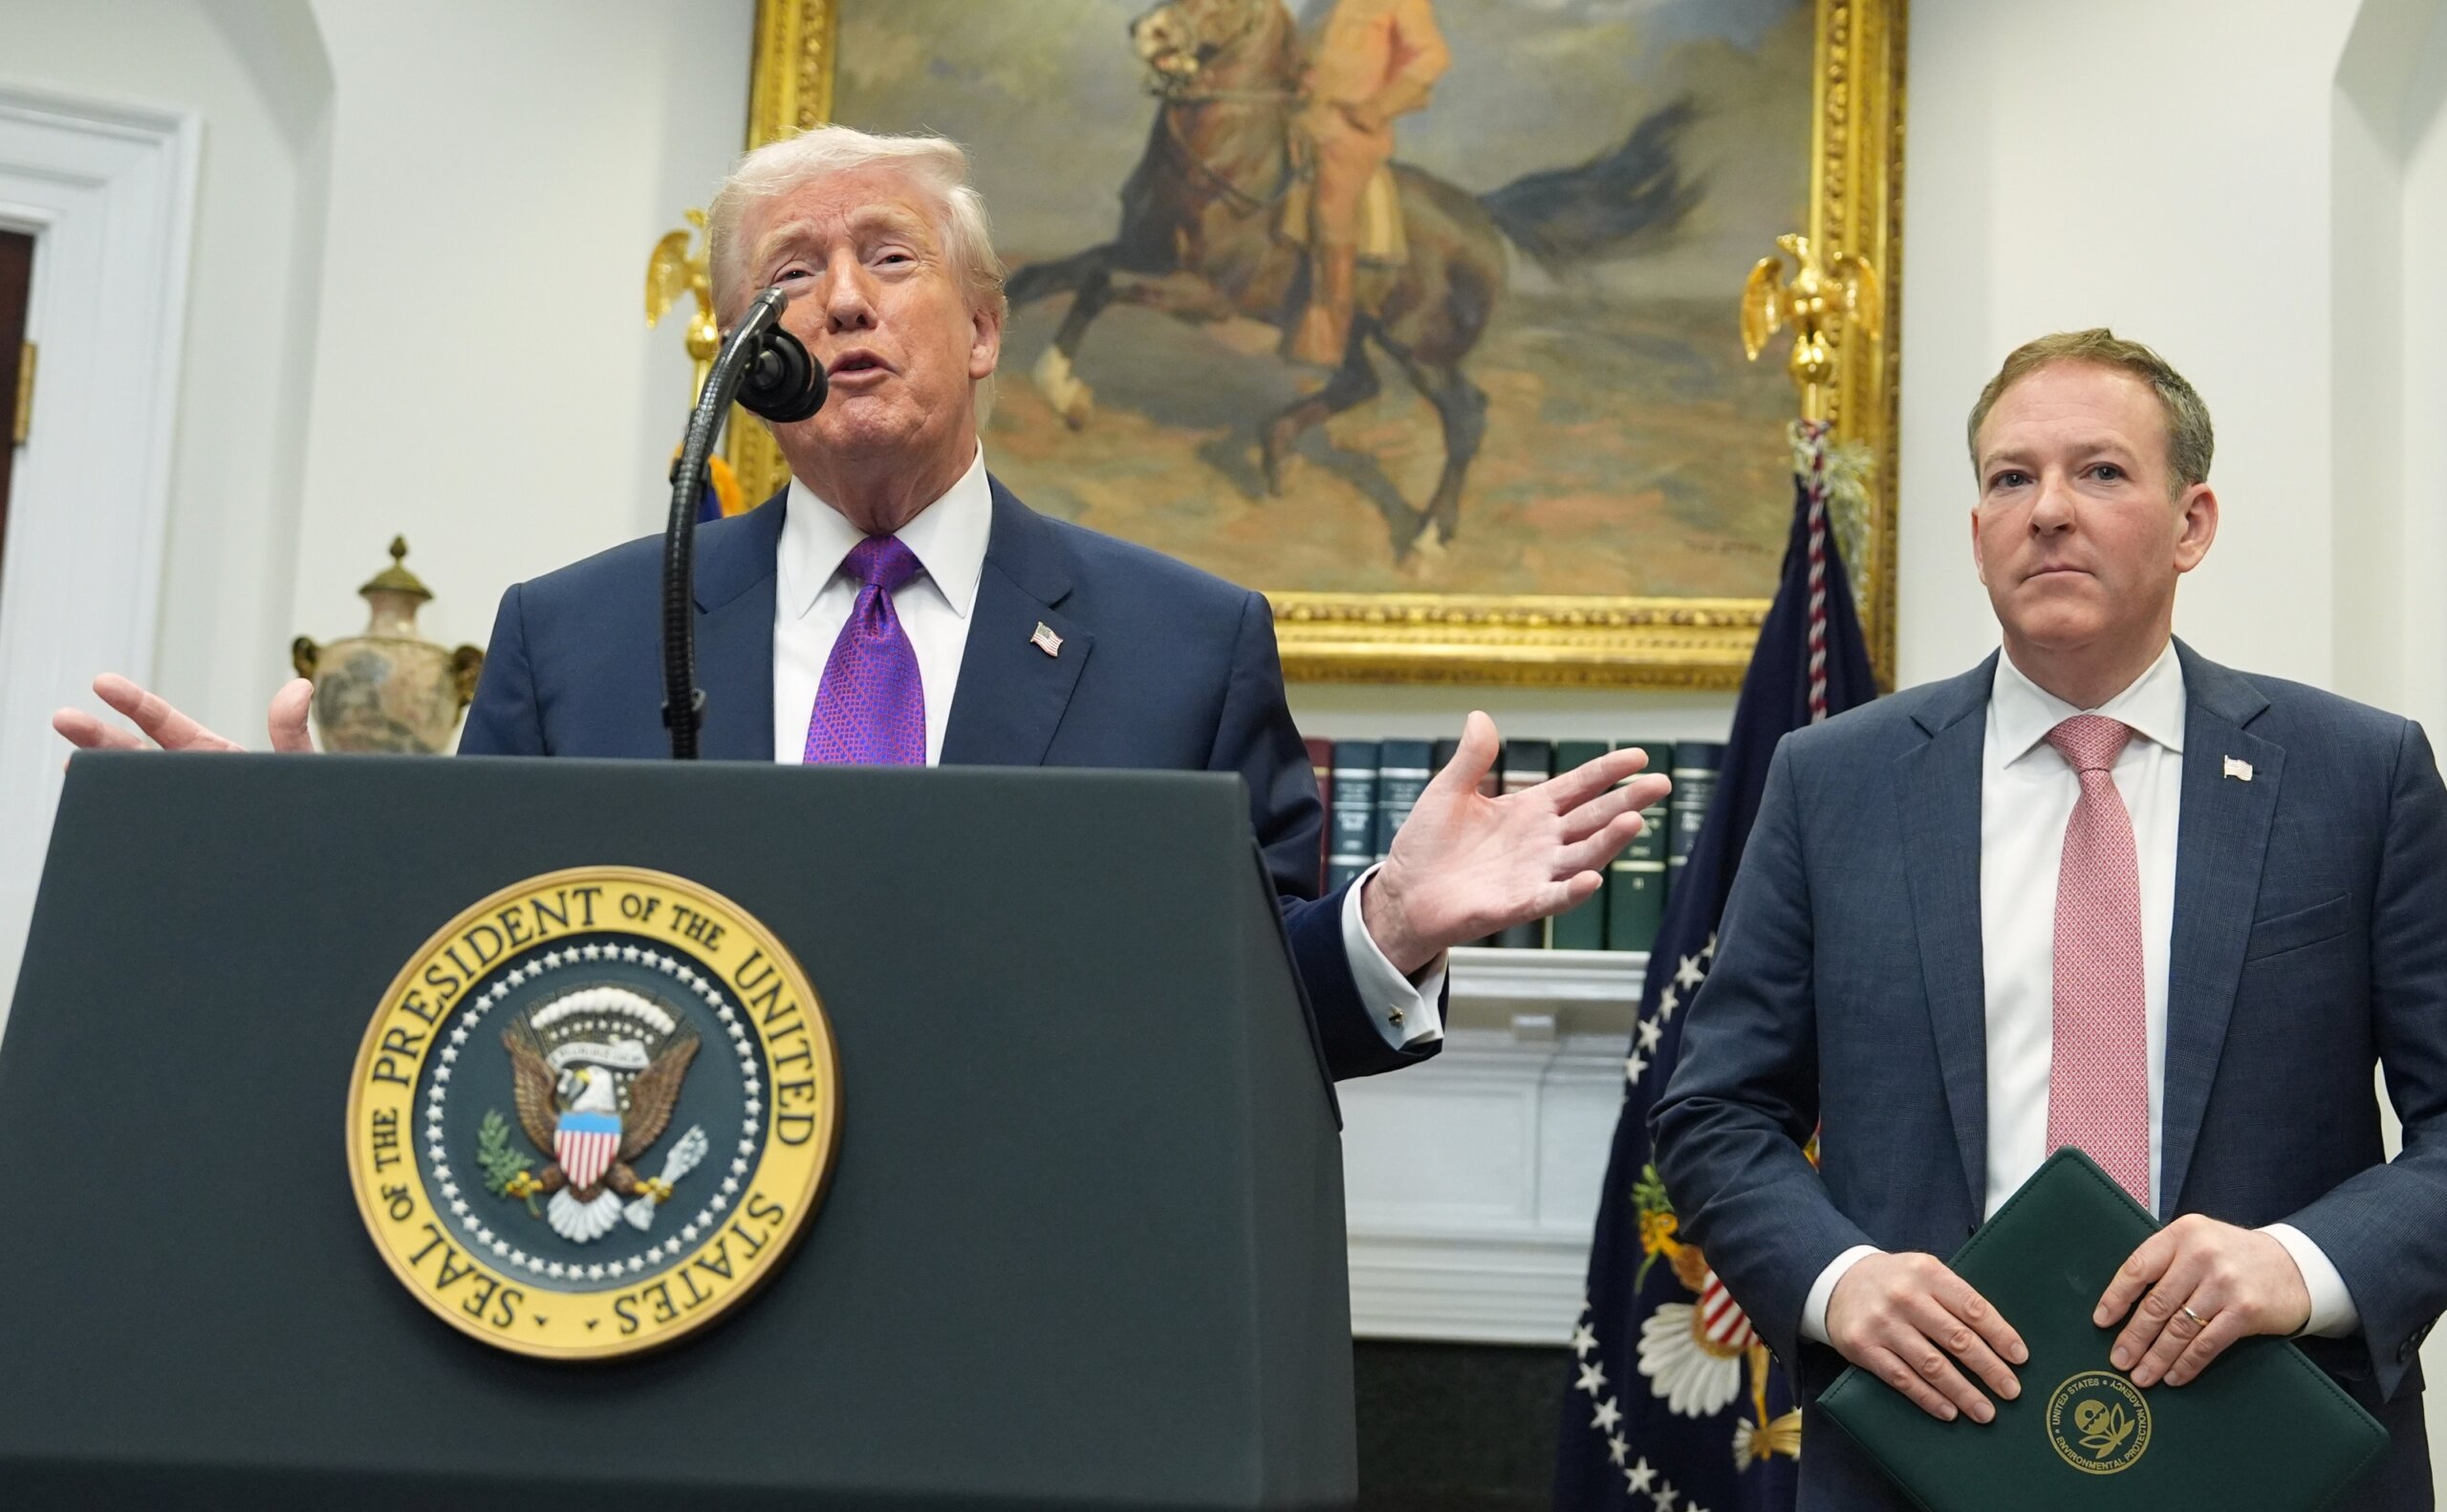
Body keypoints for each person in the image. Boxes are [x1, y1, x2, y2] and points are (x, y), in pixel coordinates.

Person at [54, 125, 1663, 1087]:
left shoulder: (1187, 644)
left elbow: (1250, 1031)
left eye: (888, 258)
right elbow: (485, 982)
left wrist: (1391, 924)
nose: (836, 299)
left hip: (1027, 1322)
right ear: (743, 356)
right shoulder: (579, 635)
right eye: (788, 273)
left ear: (984, 328)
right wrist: (299, 877)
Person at [1650, 330, 2447, 1512]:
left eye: (2101, 471)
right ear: (1976, 531)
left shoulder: (2357, 777)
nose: (2050, 510)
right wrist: (1841, 1282)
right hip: (1933, 1508)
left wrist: (2301, 1264)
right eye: (2011, 478)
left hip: (2282, 1510)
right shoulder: (1834, 783)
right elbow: (1714, 1110)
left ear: (2192, 522)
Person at [1285, 0, 1449, 366]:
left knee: (1331, 207)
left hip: (1348, 128)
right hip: (1298, 117)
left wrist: (1378, 108)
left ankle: (1328, 331)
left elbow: (1432, 57)